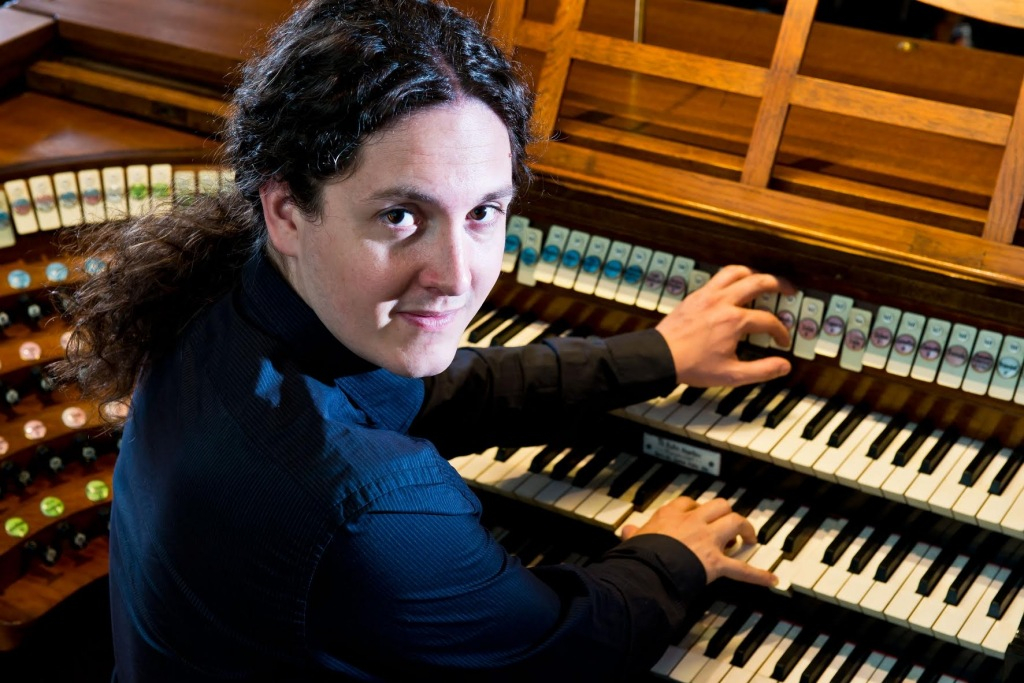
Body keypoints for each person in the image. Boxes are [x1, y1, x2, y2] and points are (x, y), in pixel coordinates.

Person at [54, 0, 793, 680]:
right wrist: (670, 556)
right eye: (401, 216)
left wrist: (658, 354)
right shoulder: (372, 506)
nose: (455, 276)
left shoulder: (223, 294)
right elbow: (564, 651)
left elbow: (417, 392)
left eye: (483, 213)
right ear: (285, 210)